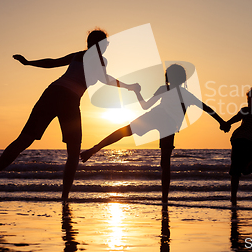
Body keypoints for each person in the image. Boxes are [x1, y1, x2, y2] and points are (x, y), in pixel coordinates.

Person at [0, 29, 139, 202]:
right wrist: (129, 86)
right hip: (69, 100)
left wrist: (28, 63)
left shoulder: (79, 55)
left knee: (24, 139)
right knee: (73, 151)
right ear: (99, 45)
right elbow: (105, 79)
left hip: (52, 92)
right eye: (106, 43)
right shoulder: (101, 59)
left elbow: (52, 63)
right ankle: (64, 198)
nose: (107, 46)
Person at [80, 64, 229, 203]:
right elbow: (206, 108)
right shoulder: (186, 94)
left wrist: (137, 92)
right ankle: (164, 199)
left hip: (156, 116)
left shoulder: (164, 89)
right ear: (183, 79)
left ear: (168, 78)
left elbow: (145, 106)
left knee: (124, 132)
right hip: (169, 124)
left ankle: (95, 148)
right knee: (165, 162)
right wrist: (222, 122)